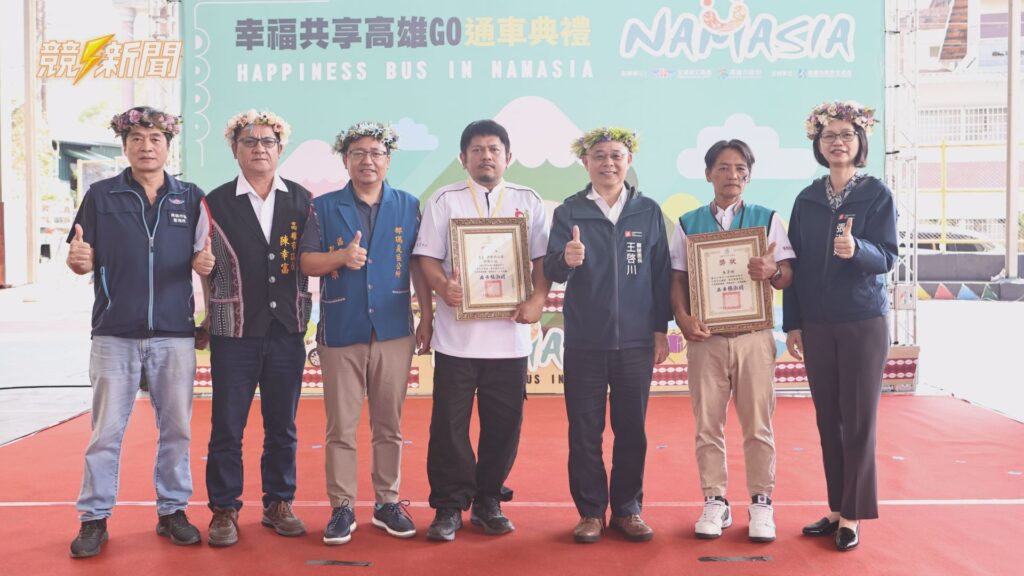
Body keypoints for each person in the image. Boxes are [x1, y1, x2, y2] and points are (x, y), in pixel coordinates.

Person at [66, 107, 204, 557]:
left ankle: (173, 511)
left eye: (156, 139)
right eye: (138, 139)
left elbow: (208, 258)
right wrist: (78, 261)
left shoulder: (190, 197)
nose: (147, 147)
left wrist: (206, 271)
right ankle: (94, 518)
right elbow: (80, 254)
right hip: (114, 332)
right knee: (105, 431)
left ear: (169, 146)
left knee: (177, 429)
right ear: (124, 146)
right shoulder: (101, 195)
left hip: (175, 332)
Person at [413, 119, 551, 542]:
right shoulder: (445, 199)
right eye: (476, 150)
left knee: (504, 427)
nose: (485, 157)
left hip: (509, 339)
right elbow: (426, 258)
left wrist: (538, 300)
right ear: (463, 158)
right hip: (456, 339)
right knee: (448, 427)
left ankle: (489, 500)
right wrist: (443, 287)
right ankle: (449, 506)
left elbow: (542, 260)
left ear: (508, 157)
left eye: (493, 149)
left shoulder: (529, 200)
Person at [298, 122, 432, 545]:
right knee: (341, 426)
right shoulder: (323, 207)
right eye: (358, 153)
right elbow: (306, 263)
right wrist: (340, 256)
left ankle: (387, 502)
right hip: (342, 327)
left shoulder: (408, 205)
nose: (367, 161)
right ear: (345, 160)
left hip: (393, 329)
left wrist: (427, 316)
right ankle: (342, 507)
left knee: (389, 424)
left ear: (388, 160)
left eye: (376, 153)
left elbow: (419, 265)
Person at [544, 127, 671, 544]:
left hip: (636, 341)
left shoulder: (648, 211)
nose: (608, 163)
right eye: (599, 156)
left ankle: (628, 509)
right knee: (585, 431)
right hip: (585, 340)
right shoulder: (570, 211)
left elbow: (661, 275)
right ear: (585, 162)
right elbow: (551, 269)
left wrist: (660, 330)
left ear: (628, 161)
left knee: (632, 430)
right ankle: (591, 512)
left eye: (616, 155)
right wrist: (566, 258)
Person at [196, 109, 314, 547]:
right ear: (234, 150)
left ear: (280, 149)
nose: (259, 149)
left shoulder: (303, 200)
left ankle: (278, 502)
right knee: (228, 425)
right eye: (249, 142)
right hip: (233, 331)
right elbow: (202, 264)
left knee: (283, 425)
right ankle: (224, 509)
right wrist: (205, 313)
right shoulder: (213, 202)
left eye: (267, 142)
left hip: (287, 330)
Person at [784, 101, 896, 552]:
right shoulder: (807, 199)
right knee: (828, 419)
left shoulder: (876, 194)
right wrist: (793, 324)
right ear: (818, 144)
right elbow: (792, 264)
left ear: (859, 142)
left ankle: (853, 514)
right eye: (828, 136)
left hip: (862, 321)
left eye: (846, 135)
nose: (837, 142)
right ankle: (836, 507)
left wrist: (858, 250)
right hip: (817, 323)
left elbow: (887, 256)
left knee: (858, 421)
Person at [669, 139, 795, 542]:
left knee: (758, 424)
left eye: (741, 168)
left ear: (749, 176)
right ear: (708, 174)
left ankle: (761, 502)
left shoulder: (767, 219)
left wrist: (772, 271)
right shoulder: (688, 223)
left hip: (754, 337)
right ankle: (715, 500)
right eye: (723, 167)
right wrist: (682, 318)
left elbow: (786, 276)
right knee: (708, 424)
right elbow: (677, 278)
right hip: (705, 338)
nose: (733, 175)